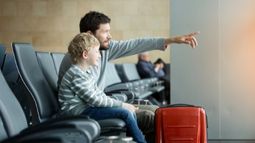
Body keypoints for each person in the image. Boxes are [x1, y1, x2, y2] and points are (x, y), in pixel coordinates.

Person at [57, 11, 198, 143]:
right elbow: (91, 99)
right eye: (105, 32)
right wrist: (123, 104)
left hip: (99, 104)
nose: (110, 36)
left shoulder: (102, 50)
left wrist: (170, 40)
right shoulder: (76, 61)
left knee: (156, 110)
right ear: (89, 35)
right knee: (150, 117)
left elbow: (134, 44)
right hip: (89, 110)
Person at [58, 33, 147, 143]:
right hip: (78, 114)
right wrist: (122, 104)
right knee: (126, 113)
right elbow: (95, 100)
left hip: (86, 109)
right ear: (85, 55)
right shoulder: (76, 74)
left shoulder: (86, 72)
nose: (100, 55)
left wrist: (122, 104)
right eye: (96, 52)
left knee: (127, 111)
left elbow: (98, 94)